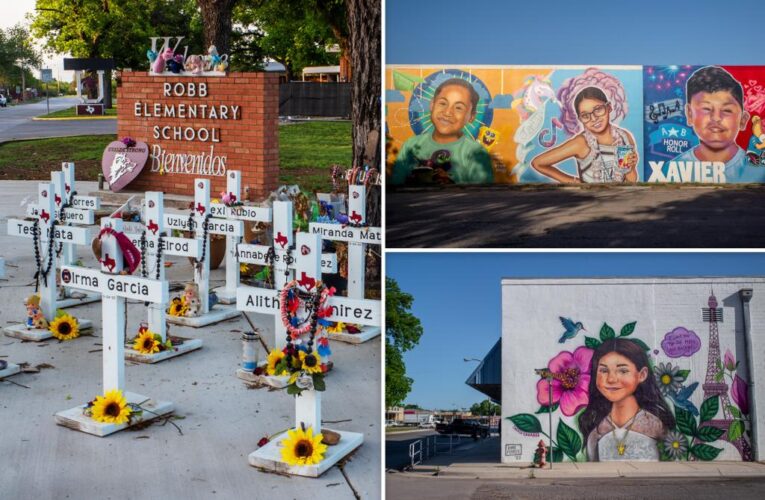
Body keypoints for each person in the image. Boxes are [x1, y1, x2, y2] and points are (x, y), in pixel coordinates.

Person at [578, 338, 675, 461]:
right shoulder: (597, 432)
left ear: (642, 375)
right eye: (603, 370)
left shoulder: (657, 426)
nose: (611, 379)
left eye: (623, 370)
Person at [390, 78, 494, 185]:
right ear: (432, 104)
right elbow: (396, 187)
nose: (447, 112)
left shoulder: (475, 152)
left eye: (458, 108)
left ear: (471, 117)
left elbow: (481, 194)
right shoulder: (410, 145)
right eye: (443, 103)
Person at [673, 66, 763, 182]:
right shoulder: (671, 168)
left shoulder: (755, 168)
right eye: (706, 109)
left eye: (727, 110)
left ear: (743, 120)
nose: (716, 118)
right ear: (689, 114)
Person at [530, 86, 639, 183]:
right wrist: (572, 181)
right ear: (580, 119)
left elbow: (631, 180)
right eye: (585, 115)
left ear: (609, 107)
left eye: (598, 109)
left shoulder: (624, 137)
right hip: (591, 201)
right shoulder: (581, 143)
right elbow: (538, 163)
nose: (594, 118)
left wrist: (631, 167)